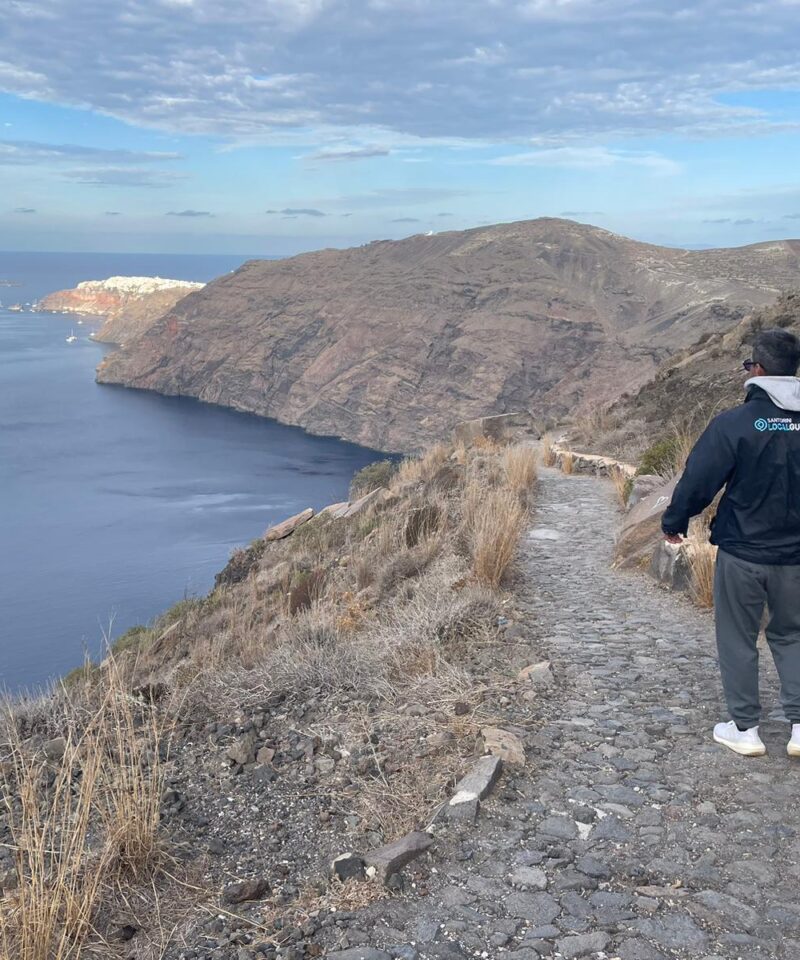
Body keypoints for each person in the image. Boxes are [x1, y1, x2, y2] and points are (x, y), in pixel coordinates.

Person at [661, 327, 800, 757]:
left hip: (742, 552)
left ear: (757, 369)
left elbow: (699, 479)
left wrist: (675, 520)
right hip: (796, 557)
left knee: (738, 638)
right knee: (793, 635)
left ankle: (745, 729)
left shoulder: (734, 424)